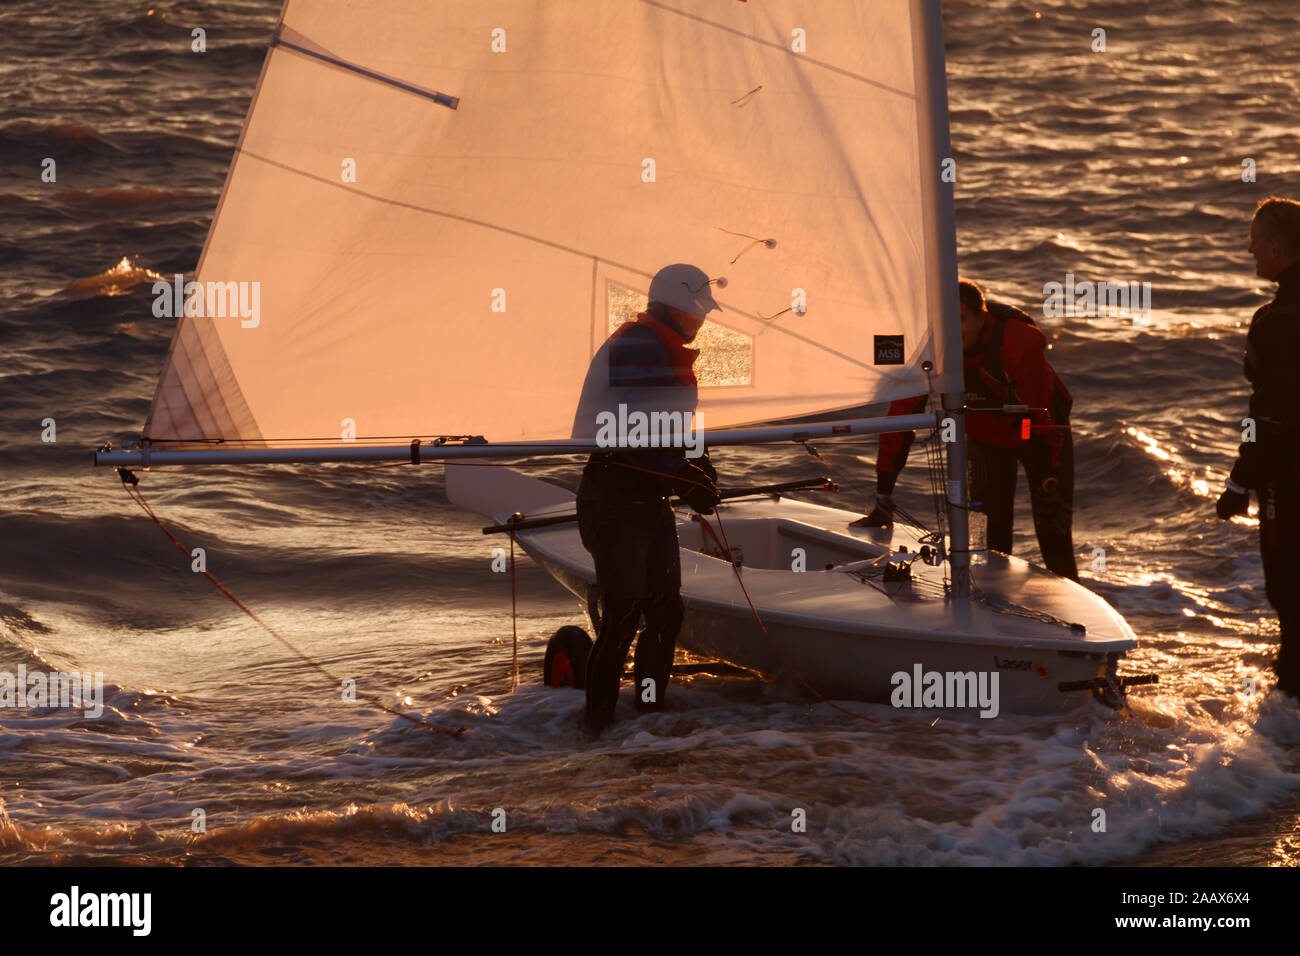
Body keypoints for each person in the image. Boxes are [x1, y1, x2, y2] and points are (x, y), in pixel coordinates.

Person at [572, 263, 722, 734]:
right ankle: (596, 727)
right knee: (624, 614)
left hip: (647, 500)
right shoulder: (638, 347)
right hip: (613, 501)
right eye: (699, 309)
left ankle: (648, 716)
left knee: (665, 609)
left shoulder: (665, 346)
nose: (704, 318)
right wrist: (684, 477)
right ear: (678, 306)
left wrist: (700, 468)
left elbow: (677, 429)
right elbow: (636, 430)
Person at [852, 279, 1078, 580]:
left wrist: (1047, 479)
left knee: (1053, 531)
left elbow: (1041, 418)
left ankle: (1075, 617)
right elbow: (900, 423)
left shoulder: (1018, 343)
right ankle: (995, 613)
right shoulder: (927, 352)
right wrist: (883, 495)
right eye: (945, 321)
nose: (952, 331)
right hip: (986, 436)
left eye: (959, 320)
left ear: (981, 317)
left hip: (1036, 430)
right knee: (988, 541)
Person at [1216, 196, 1300, 700]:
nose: (1250, 252)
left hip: (1289, 476)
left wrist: (1238, 483)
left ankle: (1289, 702)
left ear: (1275, 246)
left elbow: (1267, 416)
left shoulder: (1277, 320)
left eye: (1254, 246)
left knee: (1287, 589)